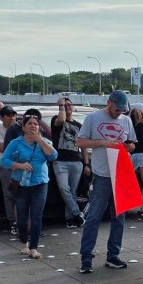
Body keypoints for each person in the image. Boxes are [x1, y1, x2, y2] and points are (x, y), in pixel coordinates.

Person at [76, 90, 136, 274]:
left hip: (121, 173)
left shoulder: (126, 120)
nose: (119, 113)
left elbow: (132, 144)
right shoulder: (93, 118)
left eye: (122, 111)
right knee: (94, 216)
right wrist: (101, 142)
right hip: (101, 174)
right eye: (117, 109)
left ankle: (113, 255)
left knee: (119, 217)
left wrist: (127, 147)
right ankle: (86, 257)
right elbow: (80, 142)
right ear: (108, 103)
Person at [0, 113, 58, 259]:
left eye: (36, 124)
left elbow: (53, 156)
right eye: (30, 123)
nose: (33, 126)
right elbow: (4, 160)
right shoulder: (16, 142)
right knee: (22, 215)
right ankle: (24, 243)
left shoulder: (43, 141)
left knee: (37, 216)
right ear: (23, 127)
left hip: (40, 182)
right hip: (21, 183)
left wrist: (40, 140)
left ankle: (34, 247)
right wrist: (19, 165)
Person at [51, 96, 87, 229]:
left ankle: (70, 218)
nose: (67, 107)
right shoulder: (57, 120)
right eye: (65, 105)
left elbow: (83, 145)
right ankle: (77, 213)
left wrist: (86, 163)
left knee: (72, 191)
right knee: (64, 188)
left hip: (76, 161)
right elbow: (61, 120)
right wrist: (60, 107)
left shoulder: (78, 125)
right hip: (60, 161)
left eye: (69, 105)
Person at [0, 105, 19, 235]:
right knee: (10, 194)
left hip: (20, 165)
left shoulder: (19, 128)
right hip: (6, 165)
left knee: (22, 193)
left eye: (13, 115)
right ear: (2, 117)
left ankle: (22, 221)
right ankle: (12, 221)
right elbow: (3, 149)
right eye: (9, 116)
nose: (12, 118)